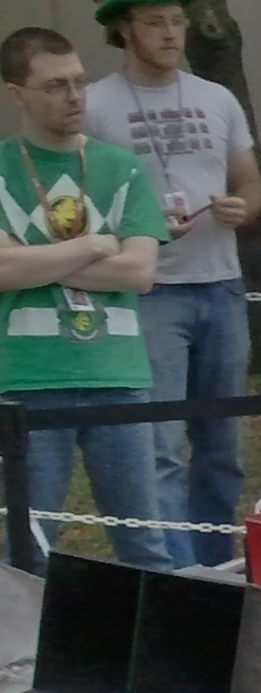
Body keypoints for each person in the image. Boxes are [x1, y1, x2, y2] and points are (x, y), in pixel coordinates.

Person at [83, 0, 261, 568]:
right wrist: (138, 226)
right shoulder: (96, 104)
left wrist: (242, 208)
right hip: (151, 291)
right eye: (155, 22)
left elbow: (251, 184)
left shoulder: (217, 98)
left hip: (222, 285)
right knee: (159, 446)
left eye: (177, 21)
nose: (170, 33)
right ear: (124, 29)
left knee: (222, 446)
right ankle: (180, 574)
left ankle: (215, 565)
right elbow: (79, 205)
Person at [0, 27, 174, 572]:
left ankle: (149, 632)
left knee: (143, 544)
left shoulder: (121, 167)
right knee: (28, 549)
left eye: (80, 82)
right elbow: (2, 271)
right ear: (16, 93)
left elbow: (140, 271)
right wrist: (96, 245)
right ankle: (20, 633)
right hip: (26, 379)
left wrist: (36, 260)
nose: (74, 96)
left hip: (117, 373)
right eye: (55, 86)